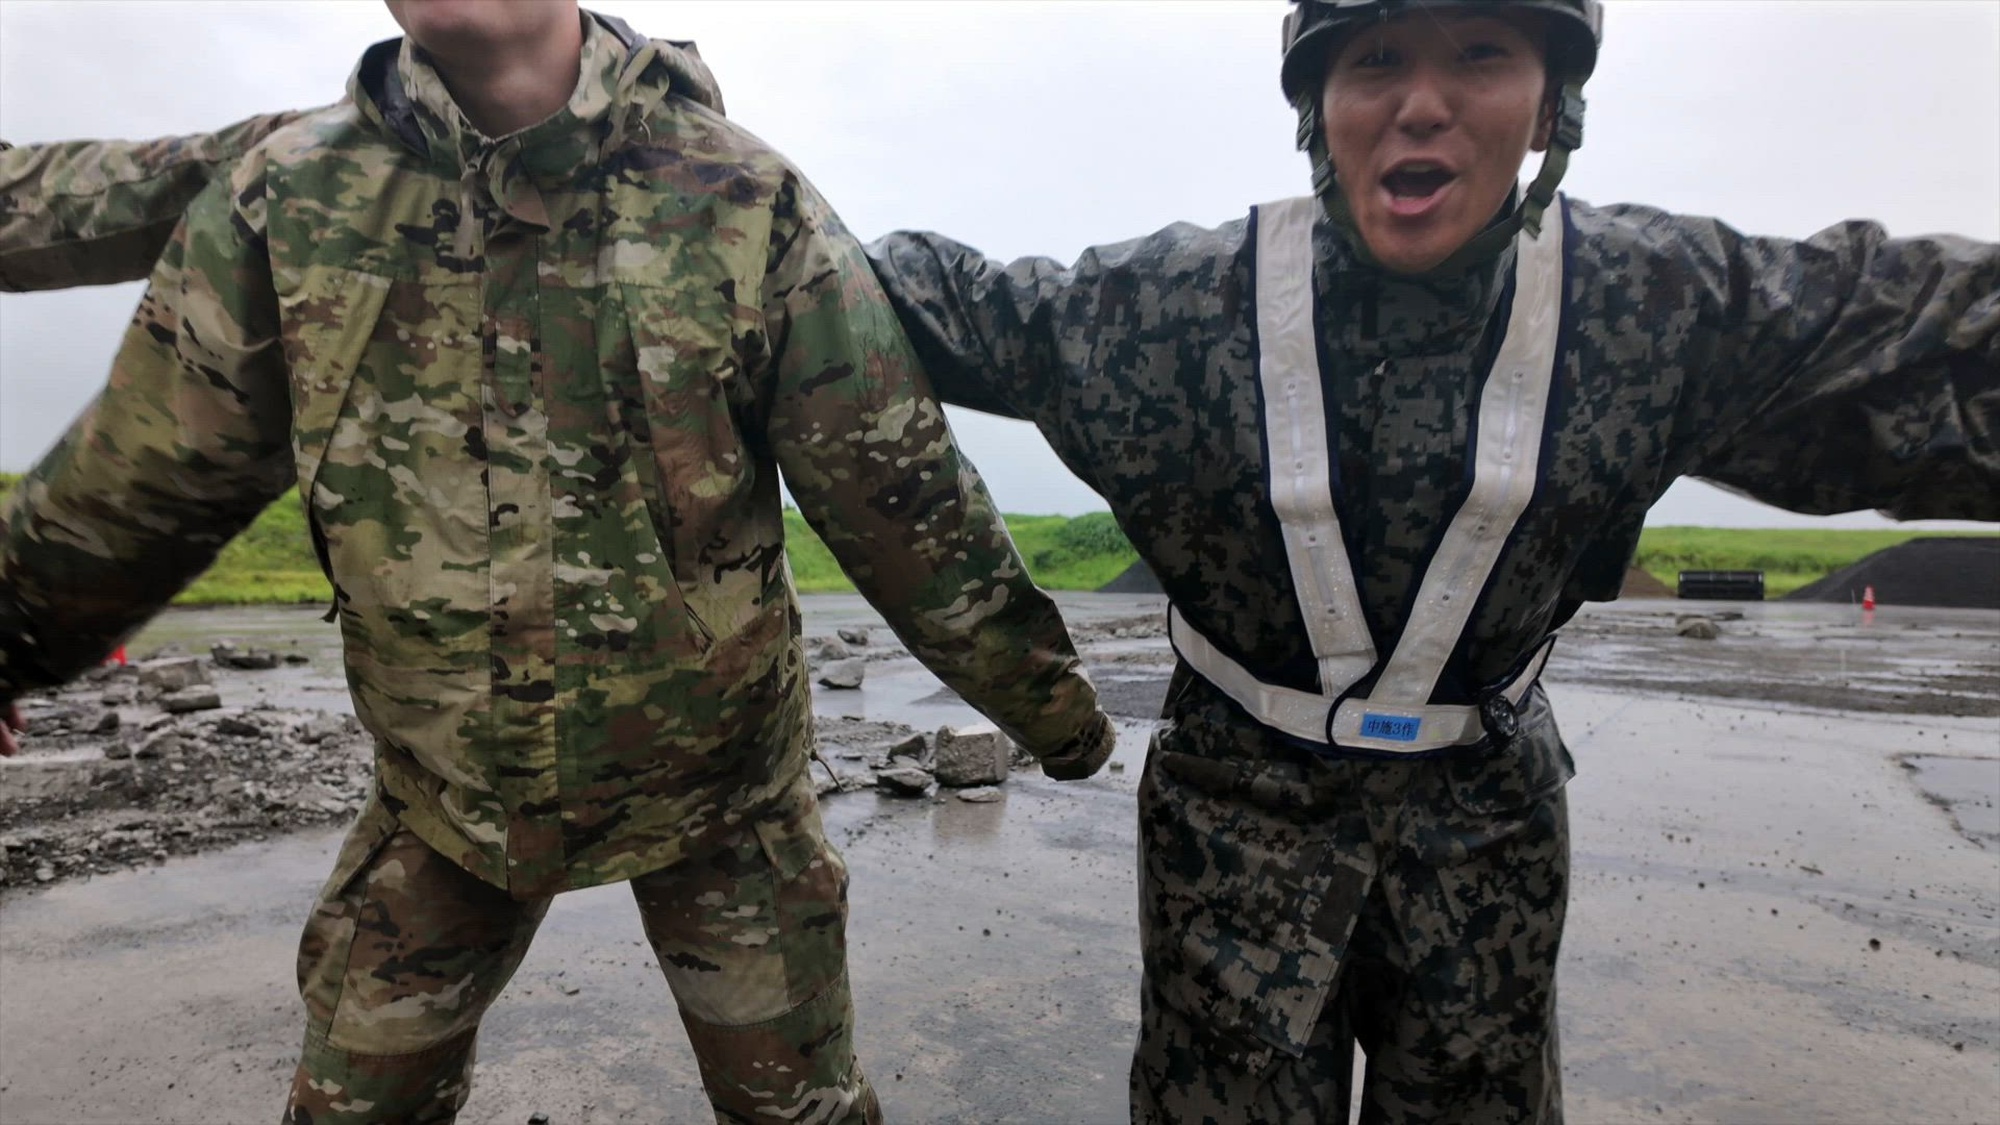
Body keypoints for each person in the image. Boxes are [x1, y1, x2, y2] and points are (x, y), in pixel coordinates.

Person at [7, 2, 1998, 1122]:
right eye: (1369, 54)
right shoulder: (1171, 308)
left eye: (1475, 49)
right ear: (1312, 103)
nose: (1419, 98)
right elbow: (909, 333)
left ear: (1550, 95)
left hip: (1487, 805)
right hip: (1231, 816)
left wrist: (691, 193)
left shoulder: (1674, 301)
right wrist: (670, 202)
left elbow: (1926, 334)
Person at [0, 2, 1113, 1122]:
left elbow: (896, 494)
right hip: (444, 799)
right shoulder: (288, 199)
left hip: (720, 793)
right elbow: (136, 484)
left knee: (798, 1111)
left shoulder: (741, 197)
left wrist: (1057, 716)